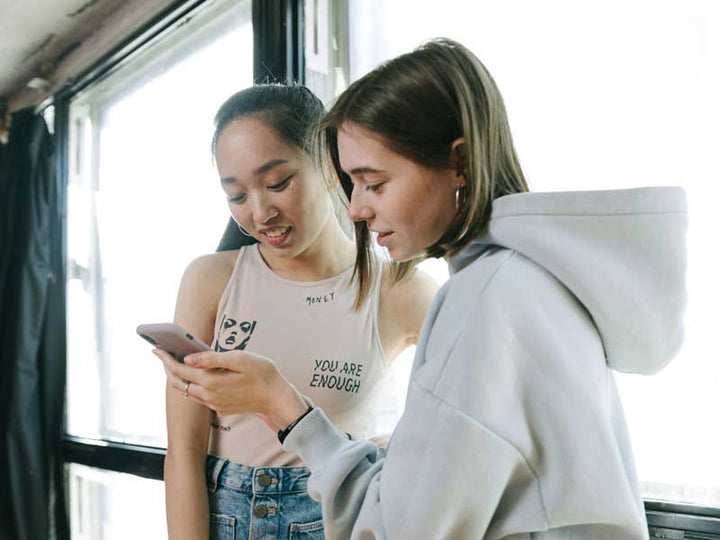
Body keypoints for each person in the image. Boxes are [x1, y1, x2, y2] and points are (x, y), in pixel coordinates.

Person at [163, 40, 687, 539]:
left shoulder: (479, 300)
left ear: (458, 163)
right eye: (235, 194)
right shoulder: (536, 285)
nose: (358, 208)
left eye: (374, 181)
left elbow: (397, 528)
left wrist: (283, 404)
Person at [155, 84, 436, 539]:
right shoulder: (211, 280)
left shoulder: (401, 291)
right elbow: (183, 455)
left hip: (331, 520)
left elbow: (472, 420)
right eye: (237, 195)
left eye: (277, 183)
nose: (260, 212)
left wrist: (389, 456)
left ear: (329, 165)